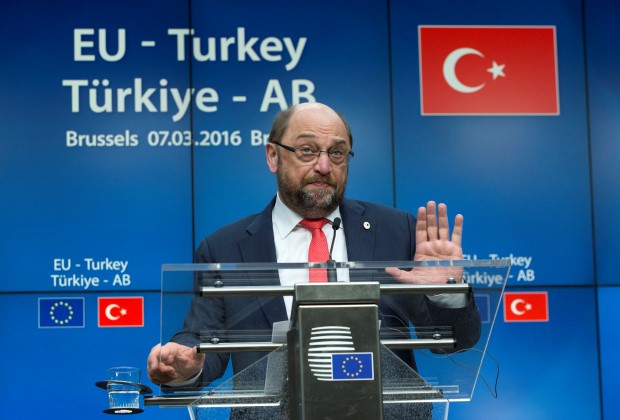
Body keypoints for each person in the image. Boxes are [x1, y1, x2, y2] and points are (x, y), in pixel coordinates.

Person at [147, 102, 480, 391]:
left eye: (336, 152)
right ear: (273, 156)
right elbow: (202, 343)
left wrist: (444, 293)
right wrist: (184, 367)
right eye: (307, 150)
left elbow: (454, 341)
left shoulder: (397, 230)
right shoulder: (225, 248)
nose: (324, 166)